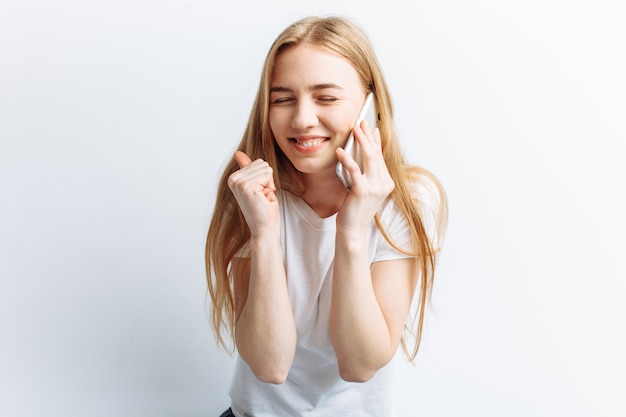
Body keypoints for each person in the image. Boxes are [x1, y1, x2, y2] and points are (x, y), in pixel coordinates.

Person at [205, 15, 448, 417]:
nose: (301, 119)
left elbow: (359, 364)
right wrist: (265, 235)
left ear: (370, 109)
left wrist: (352, 229)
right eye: (282, 99)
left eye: (326, 98)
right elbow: (269, 365)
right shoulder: (250, 192)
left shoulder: (409, 199)